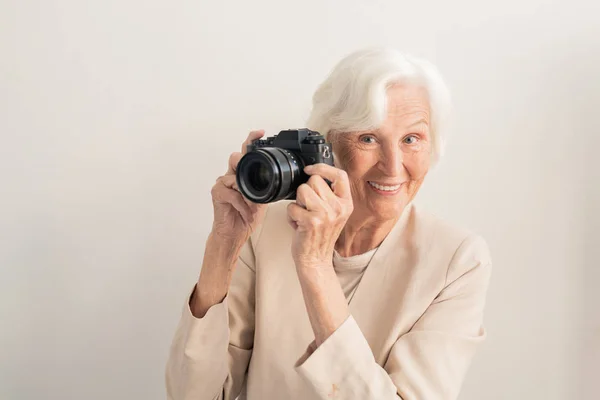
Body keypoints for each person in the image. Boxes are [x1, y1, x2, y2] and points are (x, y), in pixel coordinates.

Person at [165, 47, 492, 400]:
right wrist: (222, 245)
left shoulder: (457, 261)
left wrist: (316, 266)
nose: (394, 167)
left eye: (411, 139)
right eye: (368, 138)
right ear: (329, 144)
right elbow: (192, 396)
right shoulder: (263, 228)